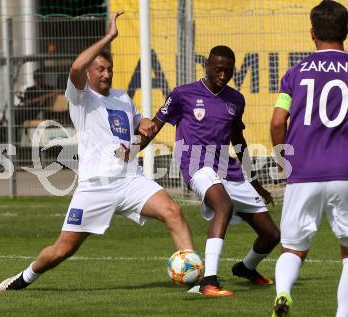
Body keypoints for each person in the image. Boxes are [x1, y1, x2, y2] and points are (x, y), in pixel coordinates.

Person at [0, 11, 195, 292]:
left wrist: (146, 128)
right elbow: (75, 68)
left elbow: (139, 134)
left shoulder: (122, 98)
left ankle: (196, 278)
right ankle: (25, 277)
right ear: (90, 72)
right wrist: (109, 37)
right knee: (63, 250)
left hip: (129, 180)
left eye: (109, 69)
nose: (106, 73)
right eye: (100, 69)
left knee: (173, 211)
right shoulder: (80, 96)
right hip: (96, 186)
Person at [137, 45, 280, 297]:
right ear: (207, 66)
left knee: (271, 235)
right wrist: (128, 152)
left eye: (228, 70)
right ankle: (209, 282)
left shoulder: (236, 100)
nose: (223, 75)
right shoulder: (183, 94)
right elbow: (154, 127)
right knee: (223, 207)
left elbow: (239, 142)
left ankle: (246, 268)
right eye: (218, 69)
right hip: (196, 167)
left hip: (229, 170)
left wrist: (255, 182)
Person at [270, 1, 348, 316]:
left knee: (293, 248)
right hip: (345, 172)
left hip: (303, 172)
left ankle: (284, 294)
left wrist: (282, 159)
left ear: (312, 33)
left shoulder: (295, 73)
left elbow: (277, 122)